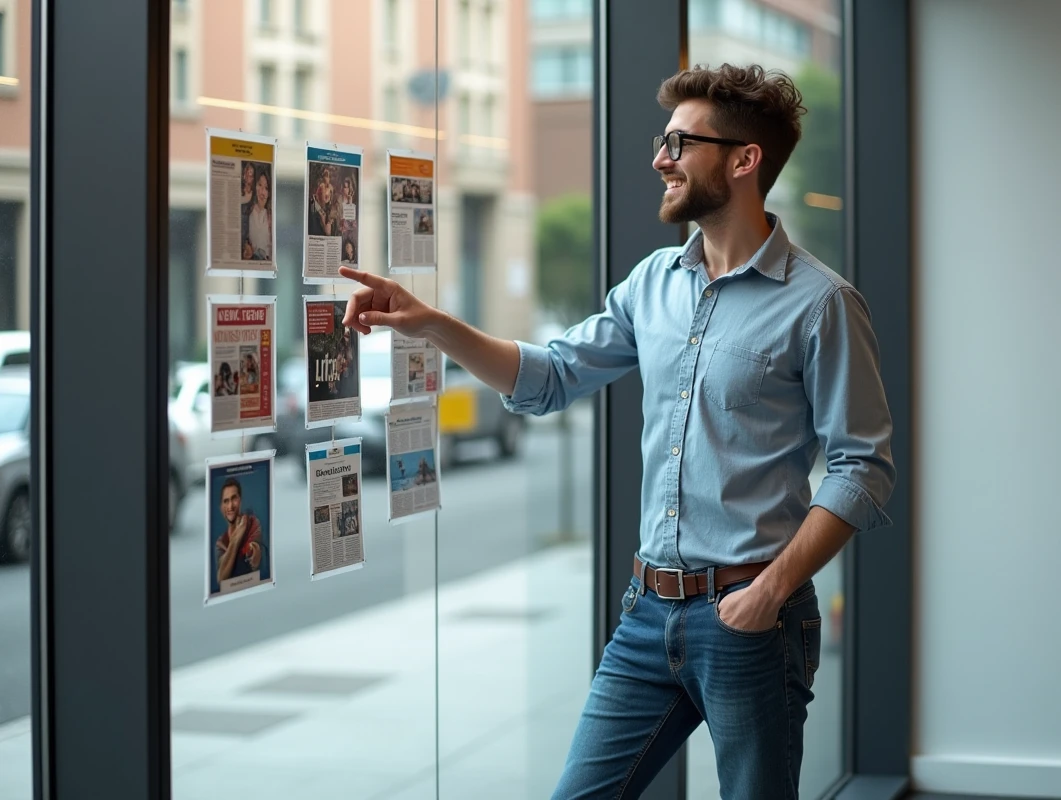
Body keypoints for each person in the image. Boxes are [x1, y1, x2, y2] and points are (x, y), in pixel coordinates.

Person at [338, 63, 895, 799]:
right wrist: (430, 322)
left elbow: (863, 467)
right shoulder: (652, 284)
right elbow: (549, 376)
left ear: (743, 159)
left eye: (679, 142)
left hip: (752, 623)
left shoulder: (821, 304)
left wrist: (770, 591)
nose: (659, 159)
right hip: (646, 616)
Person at [214, 478, 264, 583]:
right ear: (221, 507)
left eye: (234, 499)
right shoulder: (221, 542)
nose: (230, 506)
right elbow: (222, 577)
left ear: (240, 500)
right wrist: (236, 538)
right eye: (226, 501)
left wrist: (254, 550)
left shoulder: (252, 524)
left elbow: (255, 556)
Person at [246, 169, 272, 260]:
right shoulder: (247, 213)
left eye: (266, 188)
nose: (262, 191)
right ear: (255, 186)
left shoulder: (270, 216)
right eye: (260, 185)